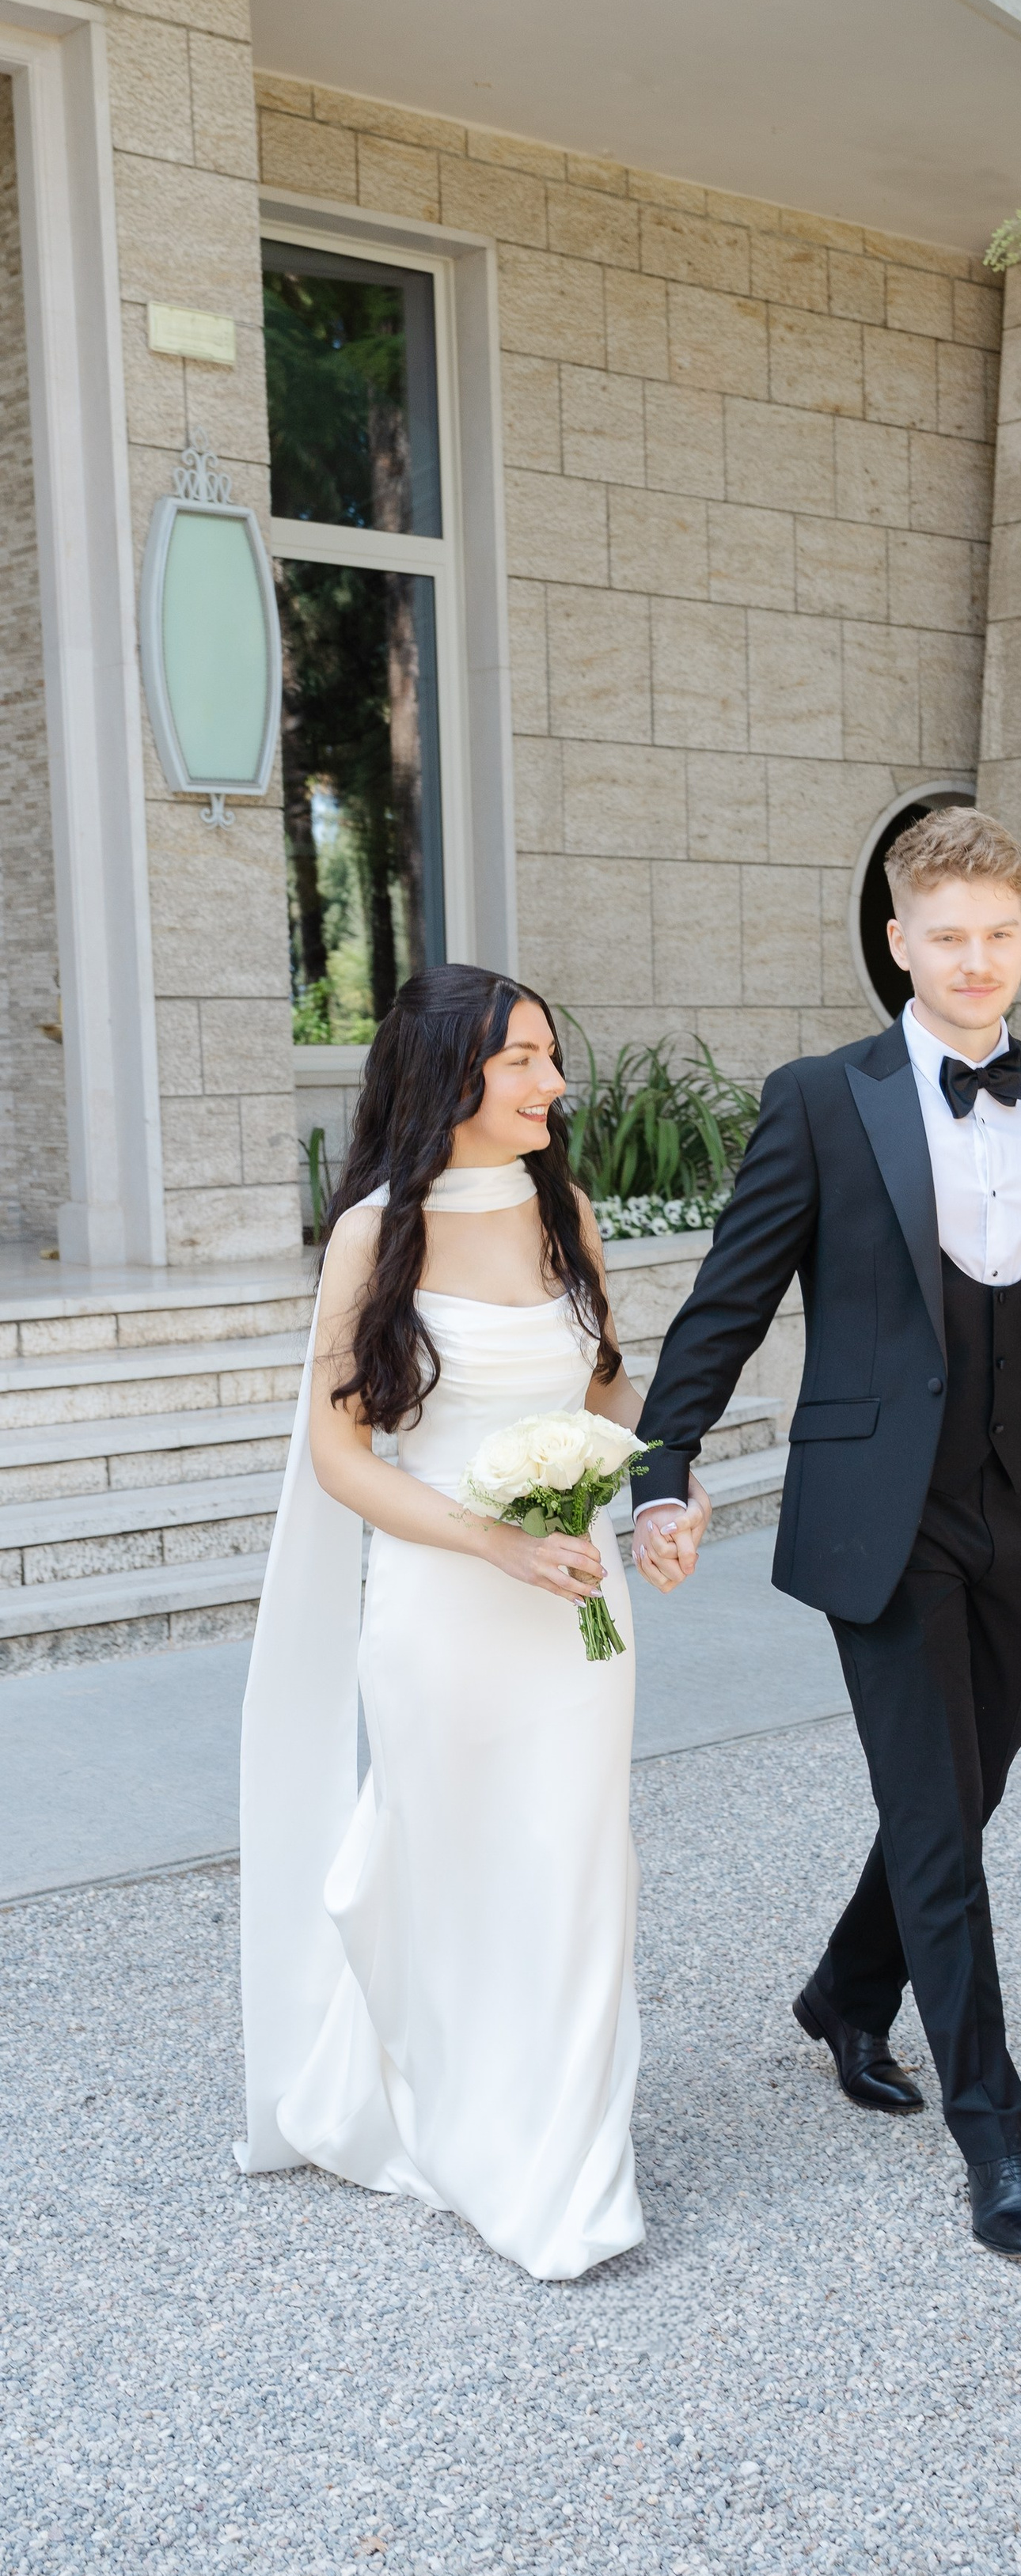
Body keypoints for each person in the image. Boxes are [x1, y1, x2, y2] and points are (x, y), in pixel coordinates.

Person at [632, 808, 1021, 2261]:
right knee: (935, 1816)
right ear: (900, 944)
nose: (980, 964)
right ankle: (997, 2133)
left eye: (1002, 935)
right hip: (883, 1513)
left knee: (968, 1788)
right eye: (950, 938)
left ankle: (848, 1990)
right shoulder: (820, 1099)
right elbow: (730, 1296)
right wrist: (664, 1464)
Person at [236, 965, 702, 2282]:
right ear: (453, 1075)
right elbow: (344, 1459)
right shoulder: (374, 1235)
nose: (554, 1083)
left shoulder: (570, 1212)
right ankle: (447, 2112)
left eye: (551, 1056)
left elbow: (609, 1391)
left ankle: (562, 2168)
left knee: (574, 1862)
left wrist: (660, 1492)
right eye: (524, 1061)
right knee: (453, 1868)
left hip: (575, 1605)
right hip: (443, 1605)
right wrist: (491, 1540)